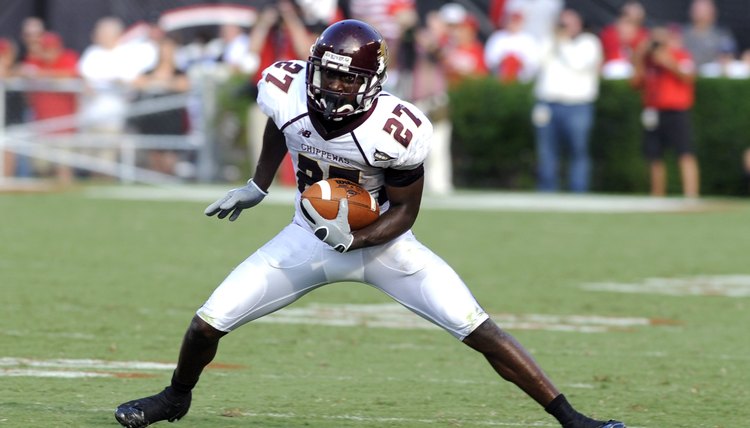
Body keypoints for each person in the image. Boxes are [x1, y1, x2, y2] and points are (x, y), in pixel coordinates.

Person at [113, 20, 626, 428]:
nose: (332, 86)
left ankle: (571, 419)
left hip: (385, 246)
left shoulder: (396, 129)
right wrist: (259, 183)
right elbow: (279, 124)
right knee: (208, 321)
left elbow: (405, 211)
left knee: (478, 328)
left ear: (371, 83)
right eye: (326, 74)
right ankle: (175, 398)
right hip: (307, 236)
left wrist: (353, 238)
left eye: (345, 78)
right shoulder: (287, 89)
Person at [532, 9, 602, 192]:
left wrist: (562, 41)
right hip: (548, 103)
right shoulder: (550, 41)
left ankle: (578, 191)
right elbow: (537, 62)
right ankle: (547, 191)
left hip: (577, 105)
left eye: (568, 23)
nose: (564, 28)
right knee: (546, 151)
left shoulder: (589, 43)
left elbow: (577, 63)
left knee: (578, 150)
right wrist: (552, 38)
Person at [632, 25, 700, 198]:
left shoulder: (680, 55)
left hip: (676, 111)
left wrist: (669, 62)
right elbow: (634, 83)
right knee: (654, 155)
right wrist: (639, 56)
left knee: (685, 152)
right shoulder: (648, 61)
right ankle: (657, 194)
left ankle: (691, 195)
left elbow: (689, 77)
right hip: (653, 111)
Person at [682, 0, 737, 69]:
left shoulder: (722, 35)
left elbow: (730, 57)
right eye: (697, 9)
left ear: (713, 11)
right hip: (685, 75)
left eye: (704, 9)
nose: (700, 12)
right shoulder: (682, 34)